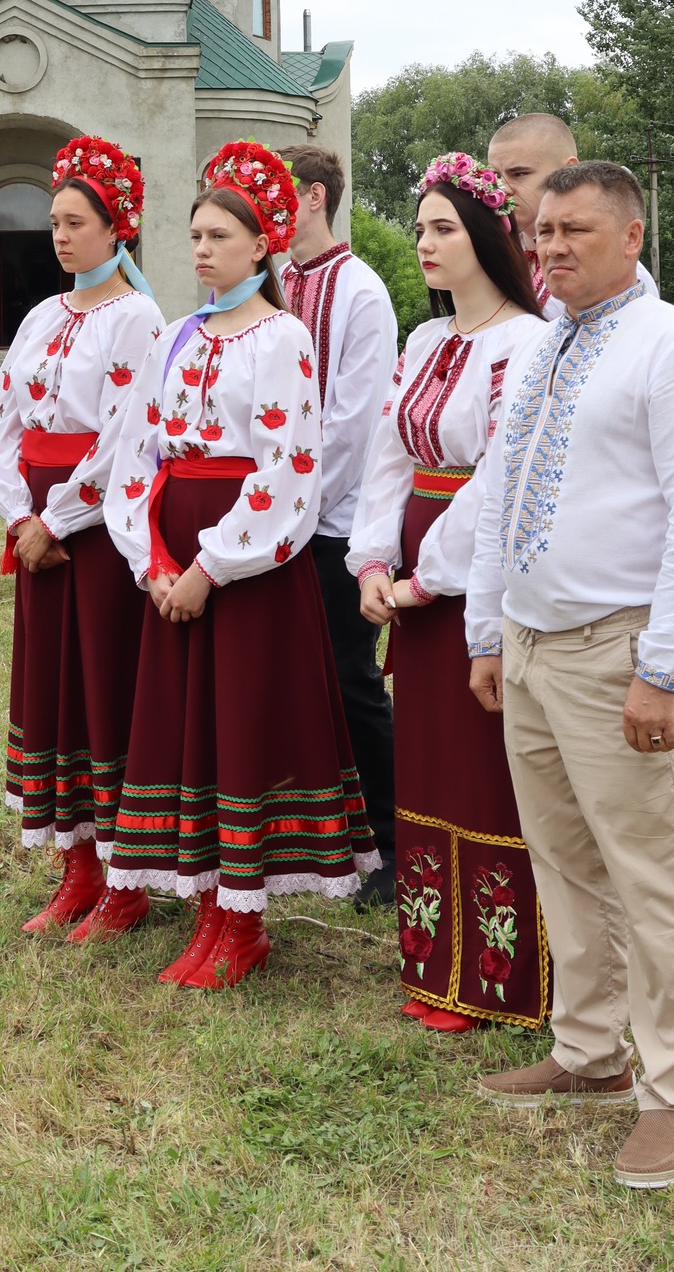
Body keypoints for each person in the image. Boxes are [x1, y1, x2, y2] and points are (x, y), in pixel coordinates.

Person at [466, 161, 674, 1192]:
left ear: (632, 235)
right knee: (565, 859)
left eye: (573, 230)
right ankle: (588, 1049)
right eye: (541, 231)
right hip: (533, 647)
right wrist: (486, 631)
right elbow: (500, 493)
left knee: (654, 872)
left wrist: (663, 669)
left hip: (619, 648)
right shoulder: (544, 345)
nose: (549, 248)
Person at [104, 140, 379, 990]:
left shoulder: (282, 337)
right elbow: (138, 452)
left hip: (247, 564)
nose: (201, 250)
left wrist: (211, 567)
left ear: (262, 246)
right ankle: (205, 908)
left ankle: (244, 921)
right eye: (194, 235)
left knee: (241, 727)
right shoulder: (177, 336)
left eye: (219, 236)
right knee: (191, 728)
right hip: (173, 550)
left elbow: (288, 467)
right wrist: (150, 558)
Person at [349, 152, 551, 1033]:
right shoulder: (425, 342)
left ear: (486, 237)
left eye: (443, 228)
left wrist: (425, 579)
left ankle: (501, 974)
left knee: (483, 768)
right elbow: (388, 457)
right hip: (411, 572)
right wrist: (370, 562)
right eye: (420, 228)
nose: (425, 243)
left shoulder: (526, 342)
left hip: (479, 575)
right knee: (427, 763)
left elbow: (500, 480)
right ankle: (436, 959)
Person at [0, 137, 165, 938]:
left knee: (100, 690)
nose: (59, 236)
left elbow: (126, 436)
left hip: (98, 533)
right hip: (37, 533)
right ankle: (76, 867)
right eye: (54, 222)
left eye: (75, 222)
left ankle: (126, 879)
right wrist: (21, 519)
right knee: (50, 691)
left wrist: (57, 520)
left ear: (117, 227)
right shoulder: (41, 315)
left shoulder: (138, 318)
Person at [281, 144, 399, 908]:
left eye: (278, 192)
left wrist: (295, 512)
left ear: (315, 196)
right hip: (268, 522)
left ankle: (392, 842)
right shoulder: (273, 280)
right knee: (289, 681)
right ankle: (313, 833)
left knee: (351, 681)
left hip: (335, 521)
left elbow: (353, 425)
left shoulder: (360, 290)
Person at [487, 114, 657, 316]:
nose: (503, 188)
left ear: (567, 170)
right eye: (496, 176)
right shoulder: (493, 257)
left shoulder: (621, 274)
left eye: (519, 174)